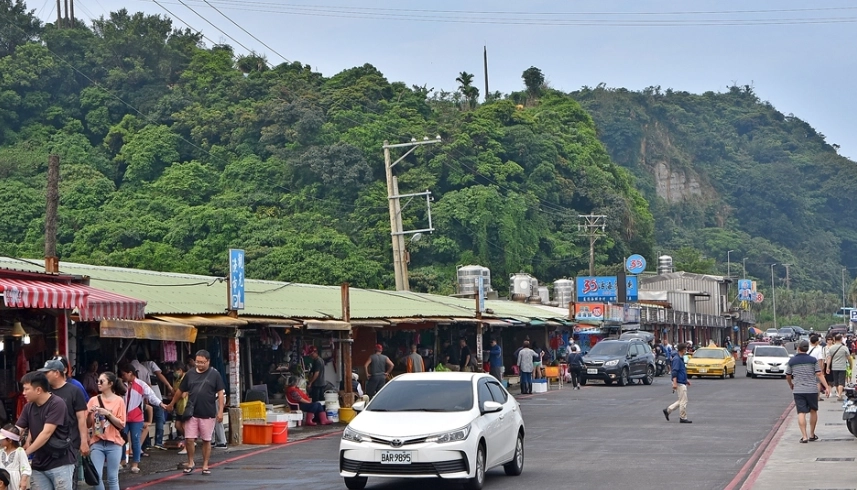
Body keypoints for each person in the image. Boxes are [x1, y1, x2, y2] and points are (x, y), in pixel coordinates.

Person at [165, 350, 225, 476]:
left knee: (206, 440)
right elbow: (180, 391)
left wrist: (220, 411)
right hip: (192, 412)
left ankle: (205, 465)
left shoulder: (215, 374)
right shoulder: (190, 374)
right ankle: (191, 462)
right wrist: (172, 404)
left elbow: (220, 394)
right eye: (197, 362)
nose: (199, 365)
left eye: (202, 362)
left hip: (208, 413)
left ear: (208, 361)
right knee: (189, 439)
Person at [16, 371, 76, 490]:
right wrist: (5, 437)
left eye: (26, 389)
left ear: (38, 390)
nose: (23, 393)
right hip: (39, 464)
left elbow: (46, 433)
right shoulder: (28, 407)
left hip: (60, 462)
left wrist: (25, 453)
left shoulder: (57, 404)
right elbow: (18, 429)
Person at [40, 358, 89, 490]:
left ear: (57, 373)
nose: (44, 375)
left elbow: (81, 418)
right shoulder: (44, 391)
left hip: (70, 445)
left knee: (69, 483)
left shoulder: (74, 390)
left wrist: (84, 441)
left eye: (47, 372)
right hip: (46, 444)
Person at [118, 363, 163, 475]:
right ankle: (123, 461)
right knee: (121, 440)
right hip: (123, 417)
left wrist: (161, 404)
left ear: (130, 373)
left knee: (135, 440)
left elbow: (151, 397)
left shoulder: (141, 385)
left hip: (136, 417)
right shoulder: (121, 384)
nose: (122, 376)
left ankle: (135, 464)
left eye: (124, 374)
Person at [86, 371, 127, 490]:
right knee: (96, 477)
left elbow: (122, 424)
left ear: (110, 384)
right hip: (97, 441)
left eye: (101, 381)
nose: (98, 383)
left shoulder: (119, 401)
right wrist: (89, 414)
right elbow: (88, 424)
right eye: (97, 381)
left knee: (112, 478)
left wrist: (107, 413)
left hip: (114, 443)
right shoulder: (93, 400)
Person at [787, 340, 831, 443]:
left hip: (798, 390)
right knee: (813, 411)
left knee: (801, 412)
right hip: (812, 390)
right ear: (807, 349)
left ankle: (804, 436)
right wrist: (827, 387)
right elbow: (819, 374)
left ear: (798, 348)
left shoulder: (792, 361)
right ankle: (812, 434)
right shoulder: (812, 360)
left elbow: (788, 375)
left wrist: (791, 384)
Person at [131, 353, 172, 451]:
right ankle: (158, 441)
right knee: (158, 417)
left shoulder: (135, 368)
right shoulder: (149, 365)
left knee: (144, 419)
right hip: (153, 394)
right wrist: (168, 386)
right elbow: (158, 375)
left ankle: (146, 444)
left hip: (143, 398)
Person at [663, 343, 692, 424]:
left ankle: (668, 410)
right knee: (684, 401)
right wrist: (674, 383)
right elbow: (674, 371)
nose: (686, 351)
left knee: (681, 400)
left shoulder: (680, 358)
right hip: (679, 382)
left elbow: (681, 371)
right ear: (682, 350)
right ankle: (683, 417)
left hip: (681, 381)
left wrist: (686, 380)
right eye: (685, 349)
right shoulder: (677, 359)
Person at [0, 424, 31, 490]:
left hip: (14, 481)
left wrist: (23, 480)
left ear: (10, 440)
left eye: (2, 439)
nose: (0, 441)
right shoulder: (1, 451)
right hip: (2, 481)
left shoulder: (19, 451)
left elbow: (25, 467)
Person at [826, 333, 853, 401]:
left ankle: (838, 393)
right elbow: (849, 358)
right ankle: (840, 395)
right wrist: (850, 365)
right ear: (841, 339)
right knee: (841, 382)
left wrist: (828, 367)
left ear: (834, 339)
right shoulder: (844, 348)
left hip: (834, 367)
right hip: (842, 367)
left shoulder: (831, 348)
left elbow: (829, 358)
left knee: (836, 382)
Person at [170, 362, 189, 454]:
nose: (175, 373)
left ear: (180, 370)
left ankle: (187, 447)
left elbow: (183, 394)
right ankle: (190, 441)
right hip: (179, 406)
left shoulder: (186, 378)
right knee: (177, 425)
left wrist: (177, 393)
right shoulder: (176, 379)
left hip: (186, 406)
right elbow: (174, 392)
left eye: (175, 371)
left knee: (185, 426)